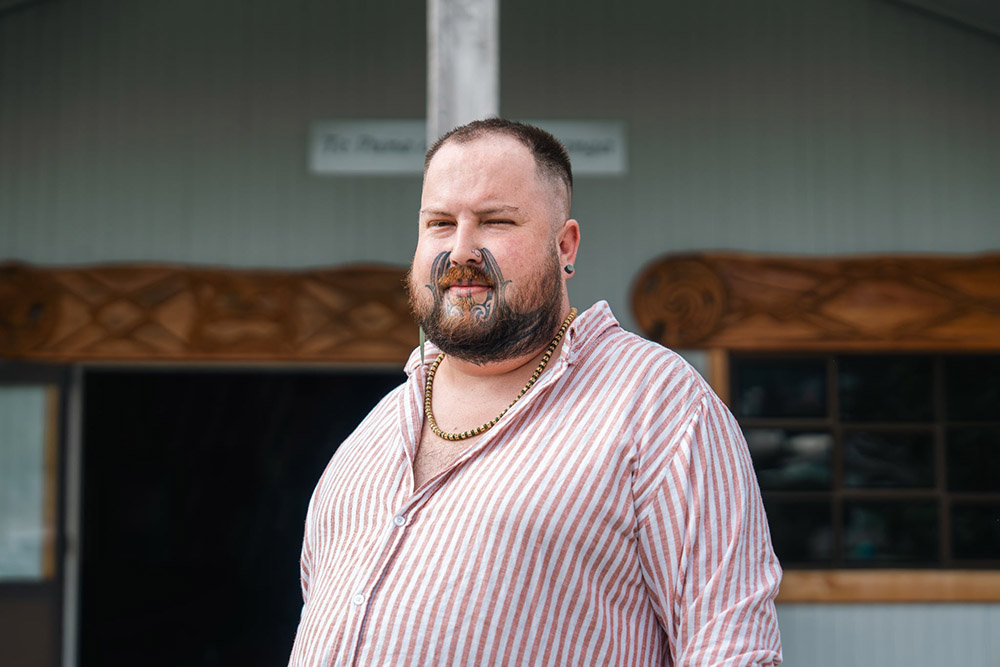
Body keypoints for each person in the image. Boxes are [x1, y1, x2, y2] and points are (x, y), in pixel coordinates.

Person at [288, 119, 782, 666]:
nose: (461, 250)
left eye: (496, 221)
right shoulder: (377, 428)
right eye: (440, 223)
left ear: (564, 245)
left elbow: (731, 647)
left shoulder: (658, 405)